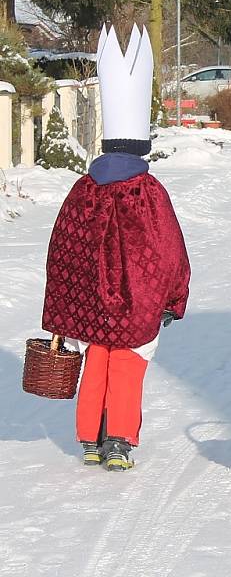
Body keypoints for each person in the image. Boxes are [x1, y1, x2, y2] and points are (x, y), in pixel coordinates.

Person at [41, 25, 191, 470]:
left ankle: (89, 437)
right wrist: (174, 297)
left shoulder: (82, 190)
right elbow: (168, 248)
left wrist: (65, 303)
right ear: (142, 145)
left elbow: (62, 247)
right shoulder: (148, 192)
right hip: (135, 301)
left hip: (90, 301)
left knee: (97, 359)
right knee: (127, 362)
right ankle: (120, 440)